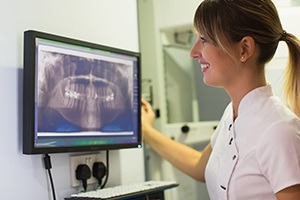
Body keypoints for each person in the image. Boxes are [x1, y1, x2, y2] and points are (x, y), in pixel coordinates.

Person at [141, 0, 300, 199]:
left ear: (244, 49)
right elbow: (199, 166)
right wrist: (146, 131)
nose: (193, 52)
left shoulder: (279, 131)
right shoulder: (231, 114)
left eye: (204, 39)